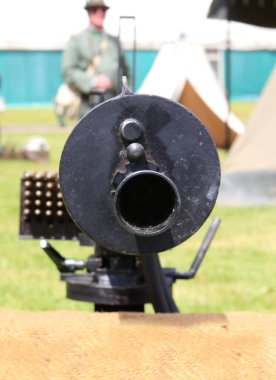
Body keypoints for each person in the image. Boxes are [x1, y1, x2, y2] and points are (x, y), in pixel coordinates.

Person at [61, 0, 129, 119]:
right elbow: (68, 72)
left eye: (102, 10)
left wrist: (128, 99)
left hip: (115, 105)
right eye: (95, 9)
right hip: (88, 106)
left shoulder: (115, 41)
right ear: (88, 12)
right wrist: (93, 81)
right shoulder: (76, 40)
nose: (99, 13)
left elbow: (127, 73)